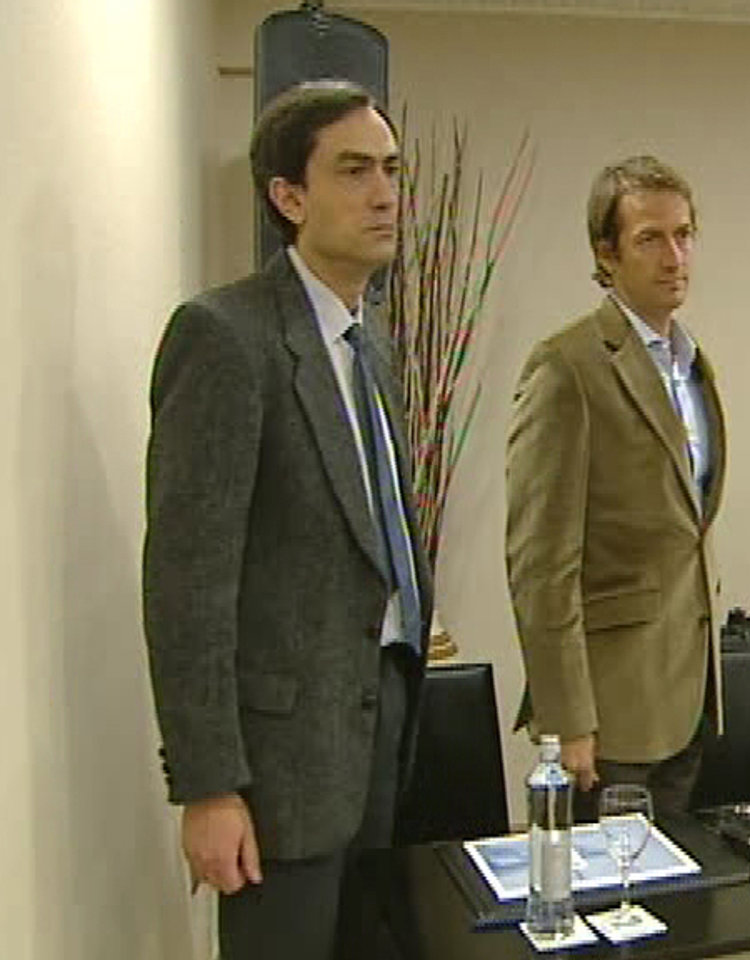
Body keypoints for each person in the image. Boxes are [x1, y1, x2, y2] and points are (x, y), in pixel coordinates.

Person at [143, 80, 432, 959]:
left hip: (381, 726)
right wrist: (208, 787)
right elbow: (188, 584)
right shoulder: (225, 338)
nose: (384, 195)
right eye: (354, 171)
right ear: (288, 196)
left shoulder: (371, 343)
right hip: (279, 768)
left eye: (392, 170)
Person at [506, 155, 727, 819]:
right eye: (650, 239)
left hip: (687, 694)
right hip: (608, 710)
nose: (674, 257)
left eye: (684, 235)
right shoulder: (567, 366)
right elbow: (540, 563)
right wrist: (567, 719)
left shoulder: (693, 364)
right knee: (612, 881)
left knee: (684, 881)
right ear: (607, 253)